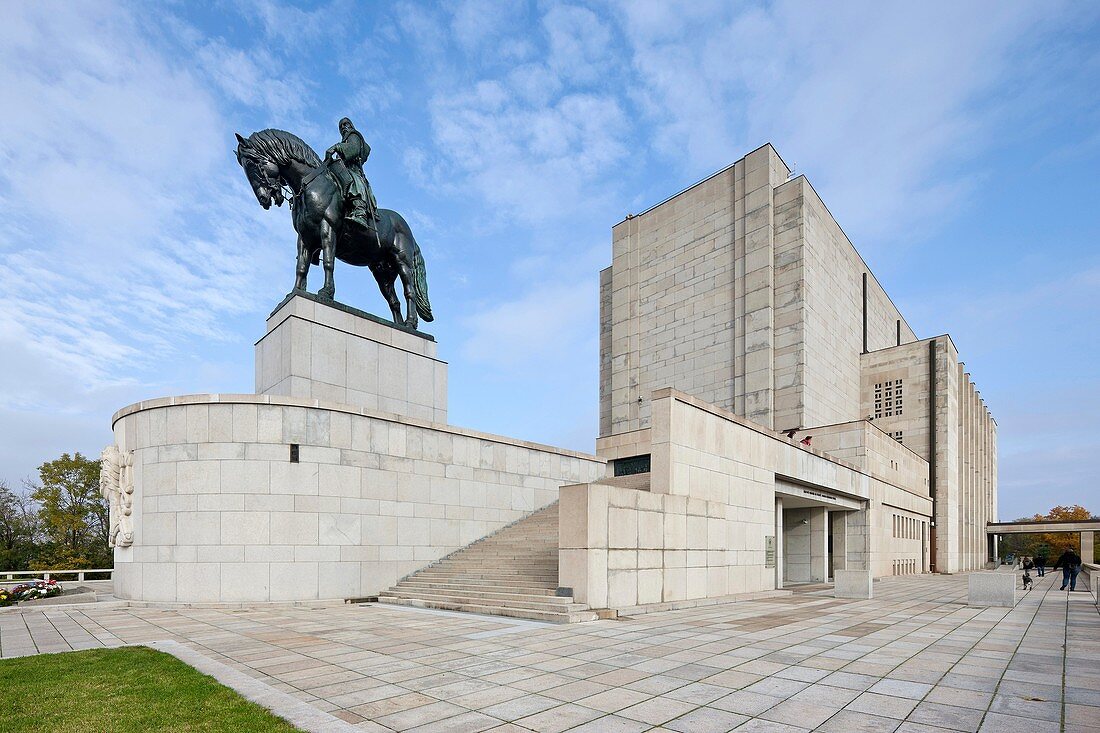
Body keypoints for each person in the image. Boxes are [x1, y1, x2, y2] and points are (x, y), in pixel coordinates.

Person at [325, 117, 378, 228]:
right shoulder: (344, 142)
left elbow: (353, 149)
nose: (343, 127)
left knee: (352, 180)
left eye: (346, 124)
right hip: (341, 170)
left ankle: (360, 212)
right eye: (341, 126)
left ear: (351, 125)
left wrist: (336, 147)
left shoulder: (354, 136)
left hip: (353, 171)